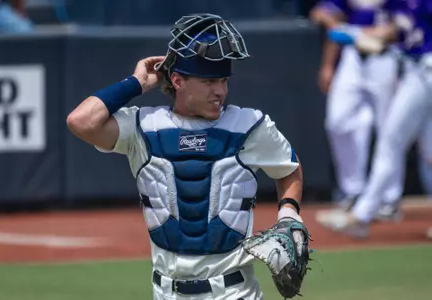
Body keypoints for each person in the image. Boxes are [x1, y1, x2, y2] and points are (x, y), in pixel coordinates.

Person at [67, 13, 310, 299]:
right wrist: (137, 83)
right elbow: (80, 121)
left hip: (233, 293)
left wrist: (288, 213)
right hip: (166, 293)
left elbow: (288, 168)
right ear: (178, 80)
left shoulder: (249, 126)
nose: (220, 91)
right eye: (208, 81)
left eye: (223, 80)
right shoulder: (143, 128)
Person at [316, 0, 432, 238]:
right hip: (413, 69)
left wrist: (355, 32)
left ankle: (361, 215)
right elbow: (393, 32)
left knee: (391, 139)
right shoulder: (399, 4)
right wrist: (356, 33)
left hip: (424, 70)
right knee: (429, 149)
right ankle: (361, 211)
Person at [310, 0, 401, 216]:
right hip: (352, 56)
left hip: (387, 55)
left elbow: (402, 26)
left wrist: (362, 32)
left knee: (390, 129)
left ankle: (389, 198)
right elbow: (320, 12)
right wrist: (328, 63)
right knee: (337, 122)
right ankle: (353, 190)